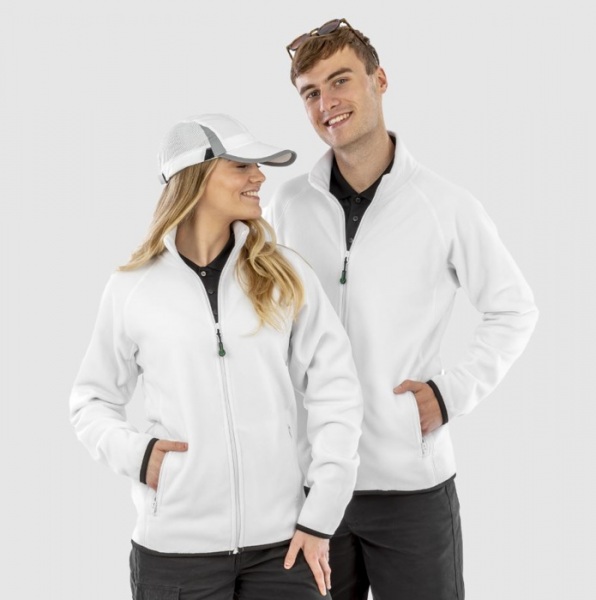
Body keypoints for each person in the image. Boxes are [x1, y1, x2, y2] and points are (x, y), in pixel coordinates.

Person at [266, 19, 539, 600]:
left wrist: (449, 394)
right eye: (310, 93)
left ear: (380, 80)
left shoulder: (445, 206)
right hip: (312, 490)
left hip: (412, 491)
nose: (326, 103)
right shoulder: (286, 205)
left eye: (340, 81)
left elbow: (514, 310)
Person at [69, 113, 364, 600]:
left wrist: (321, 514)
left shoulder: (285, 274)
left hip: (284, 547)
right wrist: (140, 457)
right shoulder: (132, 288)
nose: (259, 177)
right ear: (196, 177)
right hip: (175, 554)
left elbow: (337, 391)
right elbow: (90, 401)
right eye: (242, 165)